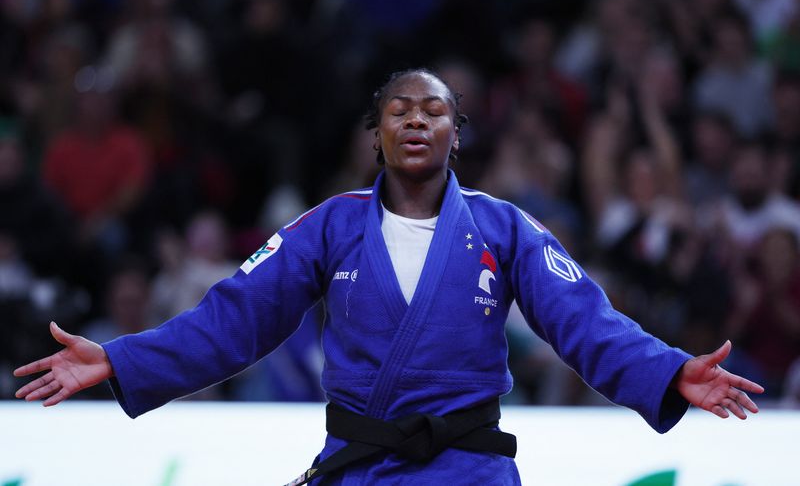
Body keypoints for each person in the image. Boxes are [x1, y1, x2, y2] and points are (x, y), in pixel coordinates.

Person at [14, 69, 764, 485]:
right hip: (362, 470)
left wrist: (669, 372)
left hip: (468, 471)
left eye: (433, 111)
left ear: (455, 136)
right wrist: (122, 359)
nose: (415, 121)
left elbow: (585, 322)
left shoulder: (504, 227)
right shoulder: (329, 226)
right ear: (376, 135)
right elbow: (232, 318)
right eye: (399, 111)